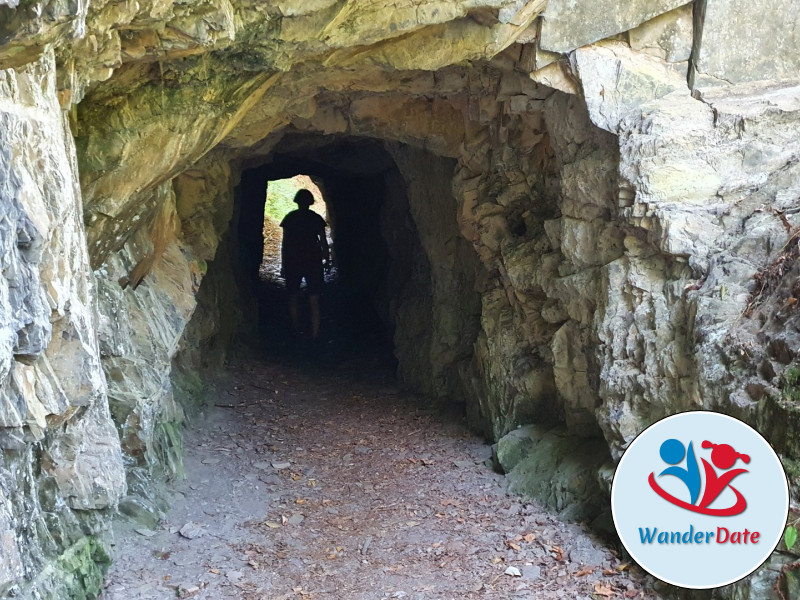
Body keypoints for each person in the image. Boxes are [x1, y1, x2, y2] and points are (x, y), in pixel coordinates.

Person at [280, 189, 330, 342]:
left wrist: (284, 263)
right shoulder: (316, 219)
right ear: (310, 202)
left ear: (297, 201)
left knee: (293, 296)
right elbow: (323, 241)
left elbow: (285, 242)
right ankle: (315, 334)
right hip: (313, 260)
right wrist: (327, 259)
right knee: (314, 298)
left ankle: (296, 330)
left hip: (294, 260)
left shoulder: (290, 218)